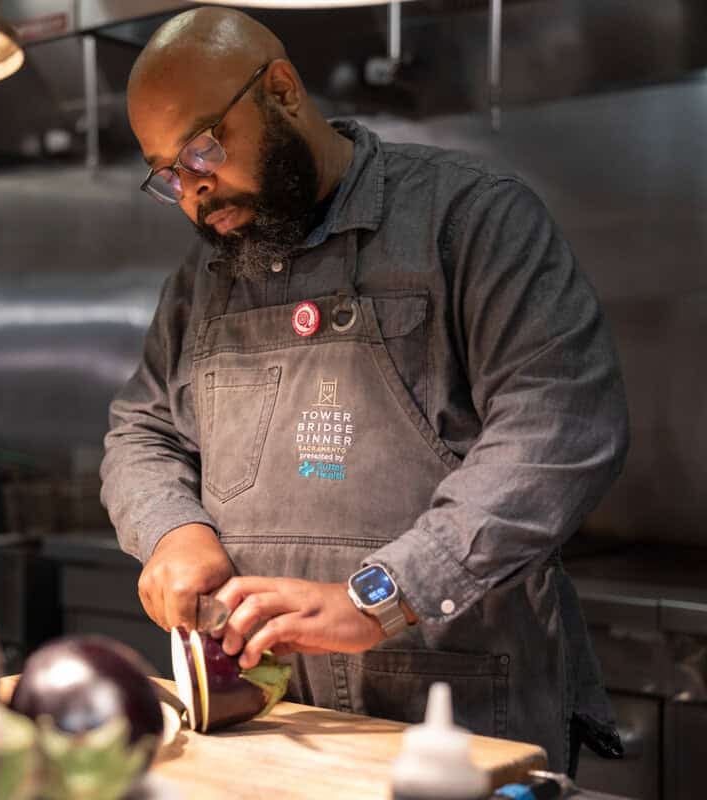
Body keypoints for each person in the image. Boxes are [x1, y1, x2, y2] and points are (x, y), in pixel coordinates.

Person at [99, 6, 628, 773]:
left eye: (202, 148)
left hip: (462, 716)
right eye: (168, 174)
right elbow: (141, 430)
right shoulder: (205, 280)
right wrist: (172, 531)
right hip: (272, 724)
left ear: (282, 89)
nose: (194, 193)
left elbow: (561, 426)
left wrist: (382, 596)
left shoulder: (470, 219)